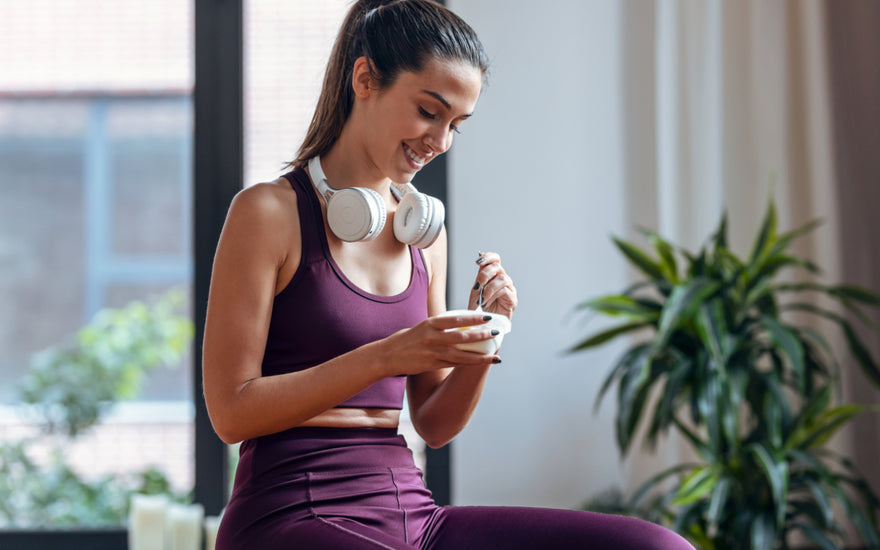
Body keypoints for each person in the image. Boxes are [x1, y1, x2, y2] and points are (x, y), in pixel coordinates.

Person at [203, 1, 694, 548]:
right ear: (364, 78)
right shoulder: (268, 213)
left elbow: (433, 425)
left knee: (658, 546)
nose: (440, 141)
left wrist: (487, 337)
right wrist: (389, 355)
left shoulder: (423, 232)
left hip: (411, 510)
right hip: (291, 512)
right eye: (428, 112)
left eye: (457, 124)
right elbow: (231, 411)